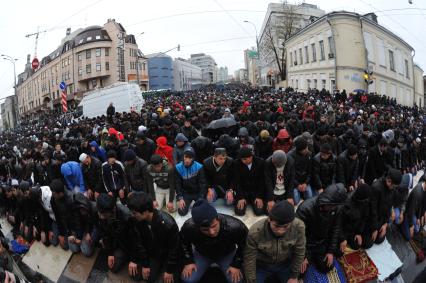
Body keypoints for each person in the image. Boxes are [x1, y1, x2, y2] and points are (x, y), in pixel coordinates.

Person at [180, 199, 247, 283]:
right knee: (188, 279)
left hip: (227, 254)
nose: (212, 232)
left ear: (218, 219)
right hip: (202, 254)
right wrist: (188, 261)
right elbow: (183, 243)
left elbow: (245, 245)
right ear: (197, 226)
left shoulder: (235, 226)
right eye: (205, 230)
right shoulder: (189, 227)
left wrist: (236, 264)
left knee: (237, 280)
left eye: (214, 226)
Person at [244, 201, 306, 283]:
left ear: (291, 222)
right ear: (269, 219)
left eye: (285, 226)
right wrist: (251, 281)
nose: (280, 231)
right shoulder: (255, 232)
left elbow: (299, 252)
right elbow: (249, 259)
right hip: (262, 266)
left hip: (285, 265)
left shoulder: (299, 227)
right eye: (276, 226)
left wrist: (294, 276)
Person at [127, 192, 180, 283]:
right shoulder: (137, 221)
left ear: (146, 212)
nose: (132, 215)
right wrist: (145, 264)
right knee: (136, 275)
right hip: (154, 254)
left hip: (167, 256)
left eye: (134, 213)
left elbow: (174, 249)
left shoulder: (168, 224)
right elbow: (139, 242)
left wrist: (169, 270)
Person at [296, 183, 347, 274]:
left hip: (322, 242)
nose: (334, 208)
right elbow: (298, 236)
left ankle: (316, 258)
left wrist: (330, 251)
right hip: (307, 244)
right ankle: (309, 259)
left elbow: (335, 228)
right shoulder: (305, 208)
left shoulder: (337, 208)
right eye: (333, 206)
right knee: (300, 272)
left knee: (328, 266)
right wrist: (304, 256)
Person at [96, 193, 142, 275]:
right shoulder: (102, 215)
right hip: (119, 243)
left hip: (130, 245)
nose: (100, 216)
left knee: (136, 275)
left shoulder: (127, 216)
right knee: (113, 268)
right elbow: (106, 235)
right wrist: (110, 253)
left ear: (112, 209)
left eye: (103, 214)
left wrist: (134, 260)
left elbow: (137, 240)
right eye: (100, 212)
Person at [370, 169, 402, 245]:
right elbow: (372, 210)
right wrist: (375, 228)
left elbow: (389, 206)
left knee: (379, 239)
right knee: (368, 242)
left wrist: (385, 224)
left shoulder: (392, 189)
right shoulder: (376, 187)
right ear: (389, 181)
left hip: (381, 217)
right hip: (372, 218)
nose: (394, 188)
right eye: (394, 186)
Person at [233, 147, 266, 216]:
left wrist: (259, 196)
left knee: (259, 212)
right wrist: (241, 197)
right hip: (243, 192)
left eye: (245, 159)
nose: (243, 161)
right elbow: (236, 182)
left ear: (251, 157)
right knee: (239, 212)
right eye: (241, 159)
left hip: (256, 192)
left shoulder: (260, 162)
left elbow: (262, 181)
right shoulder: (236, 163)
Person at [340, 184, 374, 249]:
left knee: (368, 243)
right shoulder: (347, 204)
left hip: (357, 227)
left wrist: (358, 233)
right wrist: (343, 239)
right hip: (347, 230)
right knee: (355, 246)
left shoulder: (365, 201)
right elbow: (341, 224)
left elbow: (364, 217)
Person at [175, 147, 207, 216]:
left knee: (201, 212)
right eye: (186, 157)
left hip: (197, 193)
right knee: (181, 212)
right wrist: (180, 198)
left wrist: (201, 197)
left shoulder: (199, 167)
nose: (187, 160)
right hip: (186, 193)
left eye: (190, 158)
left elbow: (202, 183)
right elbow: (178, 184)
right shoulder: (178, 167)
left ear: (193, 158)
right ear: (183, 156)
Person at [49, 179, 74, 251]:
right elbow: (57, 216)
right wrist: (61, 234)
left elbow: (73, 219)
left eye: (54, 194)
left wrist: (70, 233)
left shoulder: (70, 199)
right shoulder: (53, 199)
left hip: (71, 225)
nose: (52, 195)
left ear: (60, 193)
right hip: (61, 223)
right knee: (54, 241)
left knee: (73, 248)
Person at [288, 138, 313, 205]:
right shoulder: (290, 156)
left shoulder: (309, 155)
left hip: (305, 182)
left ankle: (302, 193)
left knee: (310, 198)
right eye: (305, 149)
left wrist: (306, 183)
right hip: (295, 183)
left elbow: (310, 172)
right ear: (300, 150)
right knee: (296, 201)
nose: (307, 150)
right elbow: (290, 174)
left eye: (307, 147)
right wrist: (297, 185)